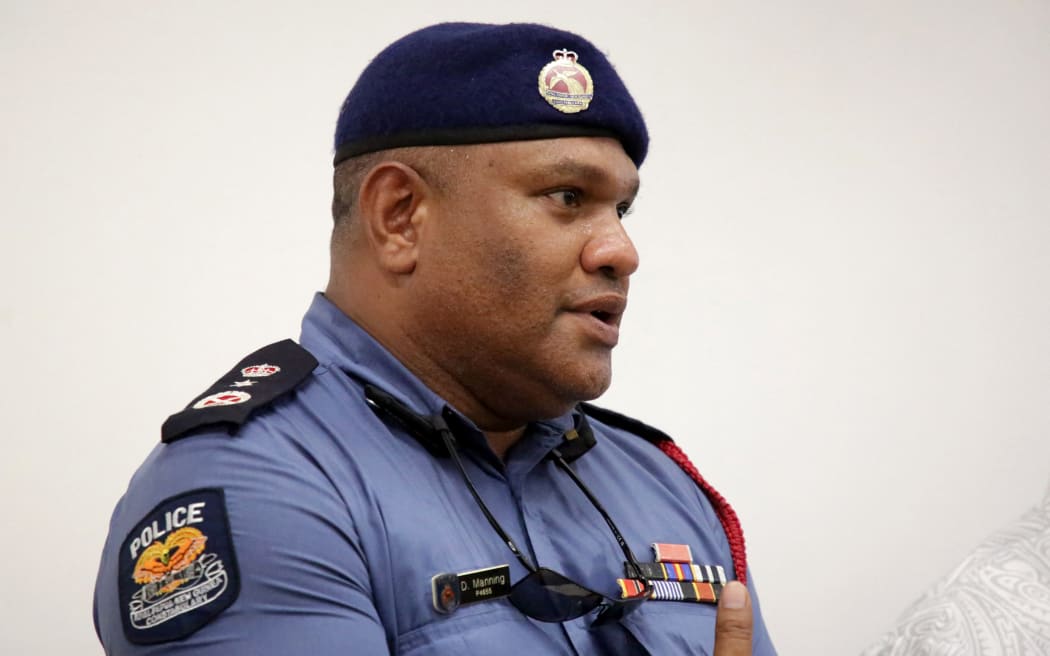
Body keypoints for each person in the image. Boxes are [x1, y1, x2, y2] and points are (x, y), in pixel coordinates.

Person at [93, 22, 776, 655]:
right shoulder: (257, 488)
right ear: (400, 218)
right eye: (568, 196)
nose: (621, 251)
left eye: (621, 208)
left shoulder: (661, 484)